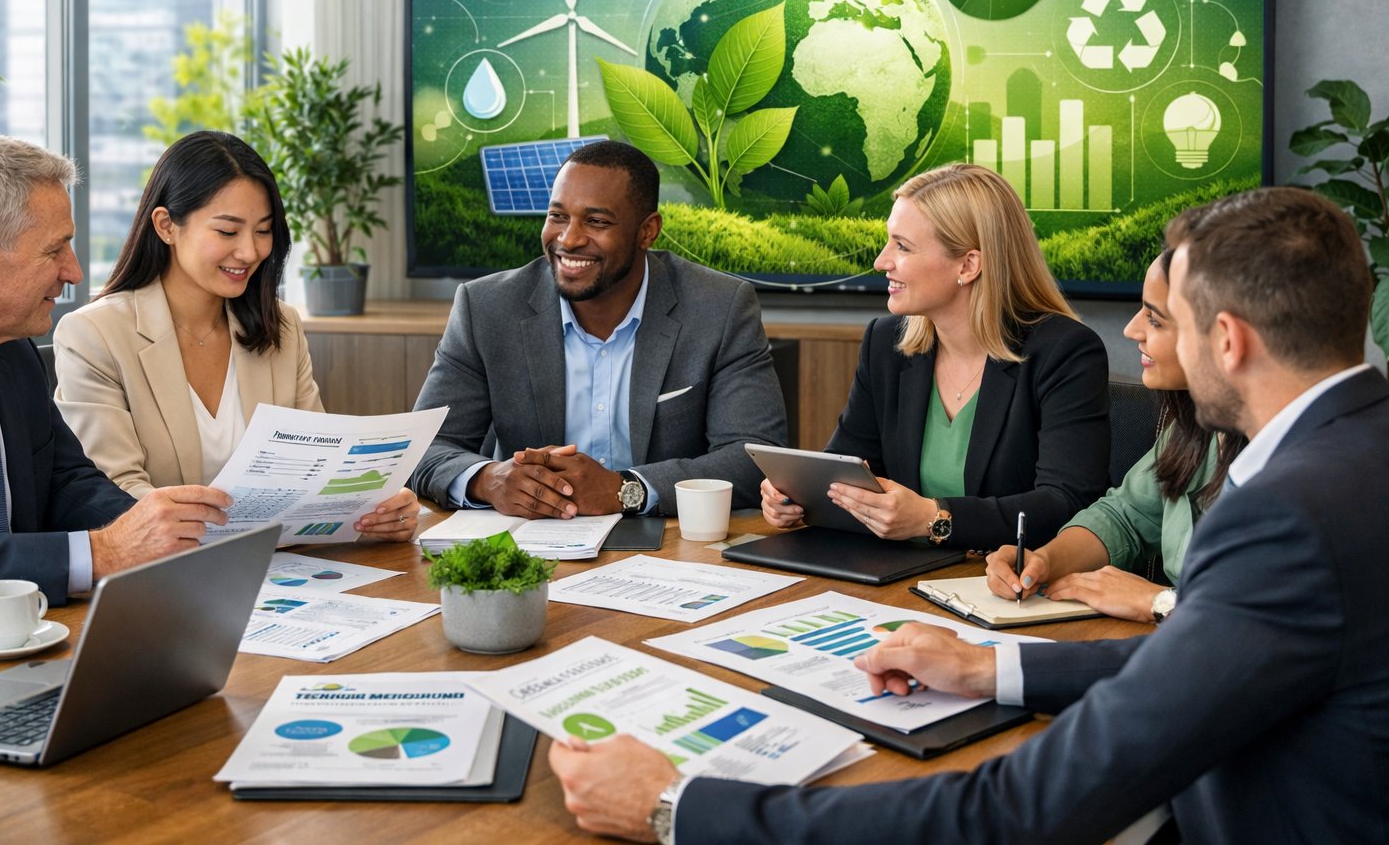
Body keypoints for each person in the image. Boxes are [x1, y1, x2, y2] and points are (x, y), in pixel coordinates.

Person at [549, 186, 1389, 843]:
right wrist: (995, 670)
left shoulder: (1284, 517)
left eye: (1167, 320)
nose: (1142, 331)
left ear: (1230, 341)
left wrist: (677, 807)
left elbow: (1018, 812)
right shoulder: (1355, 457)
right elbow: (1205, 670)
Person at [0, 133, 234, 616]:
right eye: (55, 250)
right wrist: (101, 554)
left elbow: (65, 483)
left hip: (29, 637)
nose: (74, 272)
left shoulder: (9, 345)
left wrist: (165, 534)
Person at [53, 130, 416, 542]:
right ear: (166, 225)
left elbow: (316, 472)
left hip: (283, 568)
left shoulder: (281, 327)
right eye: (228, 232)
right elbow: (115, 495)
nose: (249, 251)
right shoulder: (95, 334)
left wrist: (371, 506)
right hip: (169, 574)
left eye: (263, 231)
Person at [407, 140, 787, 518]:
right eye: (557, 216)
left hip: (669, 549)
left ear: (647, 231)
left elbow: (753, 456)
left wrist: (625, 489)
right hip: (530, 547)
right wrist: (488, 480)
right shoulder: (486, 308)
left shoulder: (719, 306)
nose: (569, 239)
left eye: (597, 221)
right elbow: (423, 449)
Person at [760, 164, 1109, 552]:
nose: (881, 261)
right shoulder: (885, 344)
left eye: (903, 246)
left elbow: (1068, 505)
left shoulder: (1065, 352)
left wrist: (933, 519)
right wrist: (798, 498)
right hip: (897, 577)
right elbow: (853, 469)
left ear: (968, 265)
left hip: (1005, 585)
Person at [983, 248, 1243, 621]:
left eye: (1154, 319)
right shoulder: (1195, 426)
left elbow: (1277, 620)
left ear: (1223, 335)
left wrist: (1160, 601)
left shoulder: (1296, 457)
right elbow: (1124, 516)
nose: (1131, 329)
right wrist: (1045, 560)